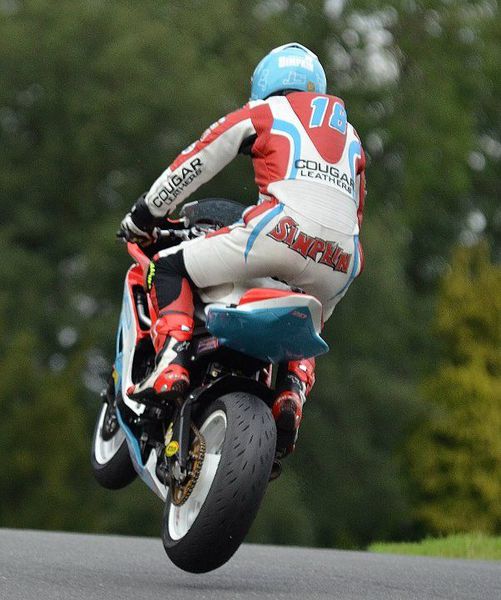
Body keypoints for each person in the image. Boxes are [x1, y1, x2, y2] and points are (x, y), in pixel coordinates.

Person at [120, 42, 366, 459]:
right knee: (310, 319)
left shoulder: (267, 111)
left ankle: (173, 360)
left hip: (279, 232)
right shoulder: (352, 137)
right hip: (342, 261)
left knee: (169, 266)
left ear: (265, 82)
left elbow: (200, 157)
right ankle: (292, 389)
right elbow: (355, 211)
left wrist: (146, 212)